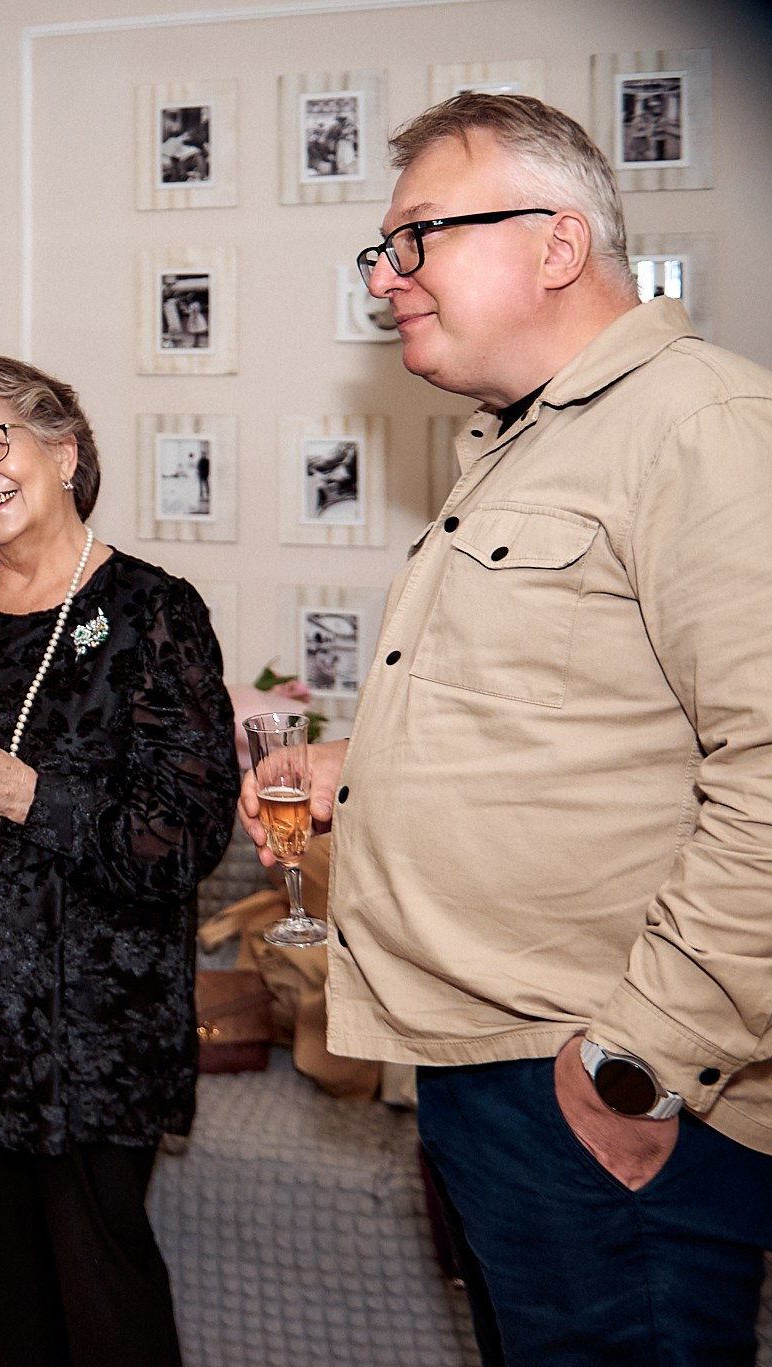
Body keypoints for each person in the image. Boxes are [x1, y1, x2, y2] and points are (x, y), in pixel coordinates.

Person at [239, 92, 772, 1365]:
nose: (383, 279)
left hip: (607, 1081)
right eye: (379, 251)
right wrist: (357, 766)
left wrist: (637, 1063)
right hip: (488, 1067)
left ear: (555, 242)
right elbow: (573, 715)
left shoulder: (698, 425)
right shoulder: (519, 441)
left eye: (413, 237)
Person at [0, 356, 238, 1367]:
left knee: (104, 1306)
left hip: (91, 1027)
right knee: (5, 1293)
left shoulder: (152, 611)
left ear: (63, 452)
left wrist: (21, 791)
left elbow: (185, 836)